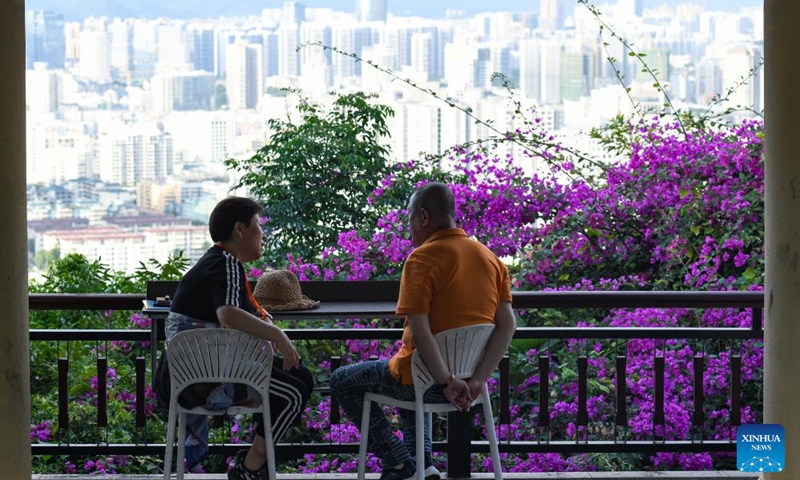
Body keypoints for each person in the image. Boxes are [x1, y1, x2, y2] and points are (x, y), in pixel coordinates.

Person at [329, 182, 517, 480]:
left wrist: (446, 380)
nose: (409, 231)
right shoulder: (491, 260)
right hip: (469, 383)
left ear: (424, 217)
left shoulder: (422, 259)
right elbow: (508, 325)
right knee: (406, 369)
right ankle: (424, 464)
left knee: (342, 379)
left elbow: (420, 333)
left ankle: (397, 461)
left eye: (410, 221)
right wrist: (478, 378)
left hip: (431, 383)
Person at [165, 196, 313, 480]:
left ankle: (254, 465)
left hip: (196, 374)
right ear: (240, 229)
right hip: (208, 379)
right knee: (294, 393)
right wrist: (278, 335)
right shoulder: (225, 263)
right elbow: (228, 314)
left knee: (300, 377)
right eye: (259, 225)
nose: (263, 234)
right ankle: (251, 466)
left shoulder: (218, 262)